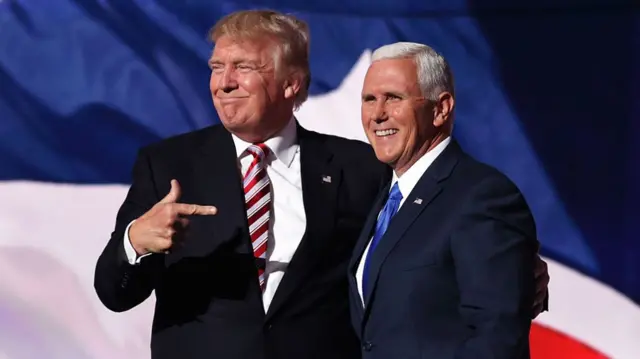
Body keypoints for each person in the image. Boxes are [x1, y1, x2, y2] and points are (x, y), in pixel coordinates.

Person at [94, 10, 549, 359]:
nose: (224, 83)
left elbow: (435, 240)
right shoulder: (168, 164)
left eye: (243, 67)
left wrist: (517, 272)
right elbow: (114, 292)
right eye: (217, 67)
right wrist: (135, 243)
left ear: (292, 84)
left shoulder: (363, 167)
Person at [348, 41, 540, 359]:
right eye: (369, 99)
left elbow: (496, 337)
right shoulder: (382, 195)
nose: (377, 114)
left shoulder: (482, 196)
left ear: (441, 108)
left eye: (393, 98)